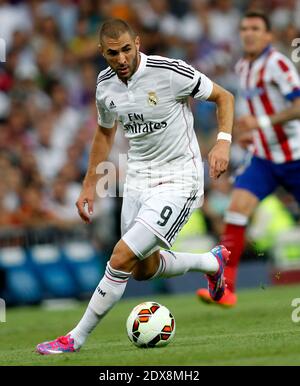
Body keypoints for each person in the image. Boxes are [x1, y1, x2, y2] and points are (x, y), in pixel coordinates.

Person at [36, 18, 234, 354]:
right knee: (141, 269)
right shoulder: (105, 85)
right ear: (102, 53)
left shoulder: (170, 71)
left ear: (138, 43)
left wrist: (223, 141)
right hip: (137, 178)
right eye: (113, 53)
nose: (122, 59)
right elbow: (104, 132)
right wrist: (89, 184)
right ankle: (211, 263)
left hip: (178, 178)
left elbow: (223, 96)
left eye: (127, 49)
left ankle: (75, 338)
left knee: (121, 257)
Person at [197, 10, 300, 307]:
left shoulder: (279, 64)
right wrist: (250, 133)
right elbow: (255, 111)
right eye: (244, 28)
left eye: (256, 28)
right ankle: (225, 288)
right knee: (236, 210)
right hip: (264, 158)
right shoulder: (243, 66)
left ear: (268, 35)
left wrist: (263, 124)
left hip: (294, 156)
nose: (249, 33)